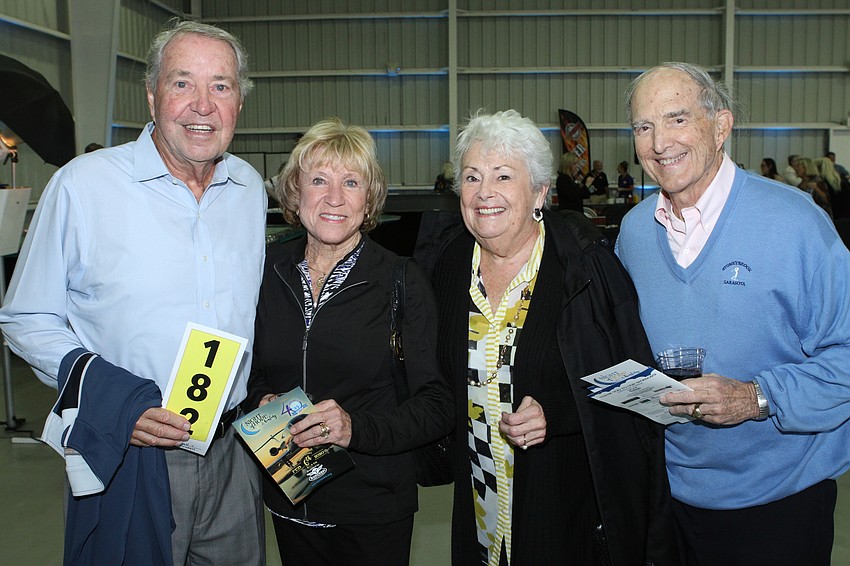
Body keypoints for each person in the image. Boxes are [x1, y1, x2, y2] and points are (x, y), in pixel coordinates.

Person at [0, 20, 267, 564]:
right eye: (182, 83)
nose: (202, 105)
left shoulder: (248, 189)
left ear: (238, 102)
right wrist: (110, 396)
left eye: (220, 86)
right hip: (131, 452)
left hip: (235, 452)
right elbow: (25, 316)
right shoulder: (83, 186)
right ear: (151, 94)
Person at [616, 62, 850, 566]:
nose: (659, 143)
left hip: (779, 503)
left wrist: (756, 397)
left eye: (677, 119)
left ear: (721, 125)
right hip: (669, 496)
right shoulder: (633, 233)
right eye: (643, 127)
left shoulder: (796, 223)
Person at [424, 109, 676, 565]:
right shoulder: (447, 265)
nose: (484, 192)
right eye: (472, 177)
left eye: (503, 176)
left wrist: (557, 412)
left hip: (562, 507)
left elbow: (635, 388)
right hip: (478, 503)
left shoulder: (584, 267)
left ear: (540, 192)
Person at [244, 117, 453, 566]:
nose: (334, 198)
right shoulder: (266, 271)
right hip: (289, 499)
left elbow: (437, 405)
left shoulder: (401, 280)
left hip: (372, 507)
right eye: (319, 180)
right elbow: (248, 369)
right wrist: (261, 398)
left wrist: (354, 428)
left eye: (351, 182)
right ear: (295, 192)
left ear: (369, 198)